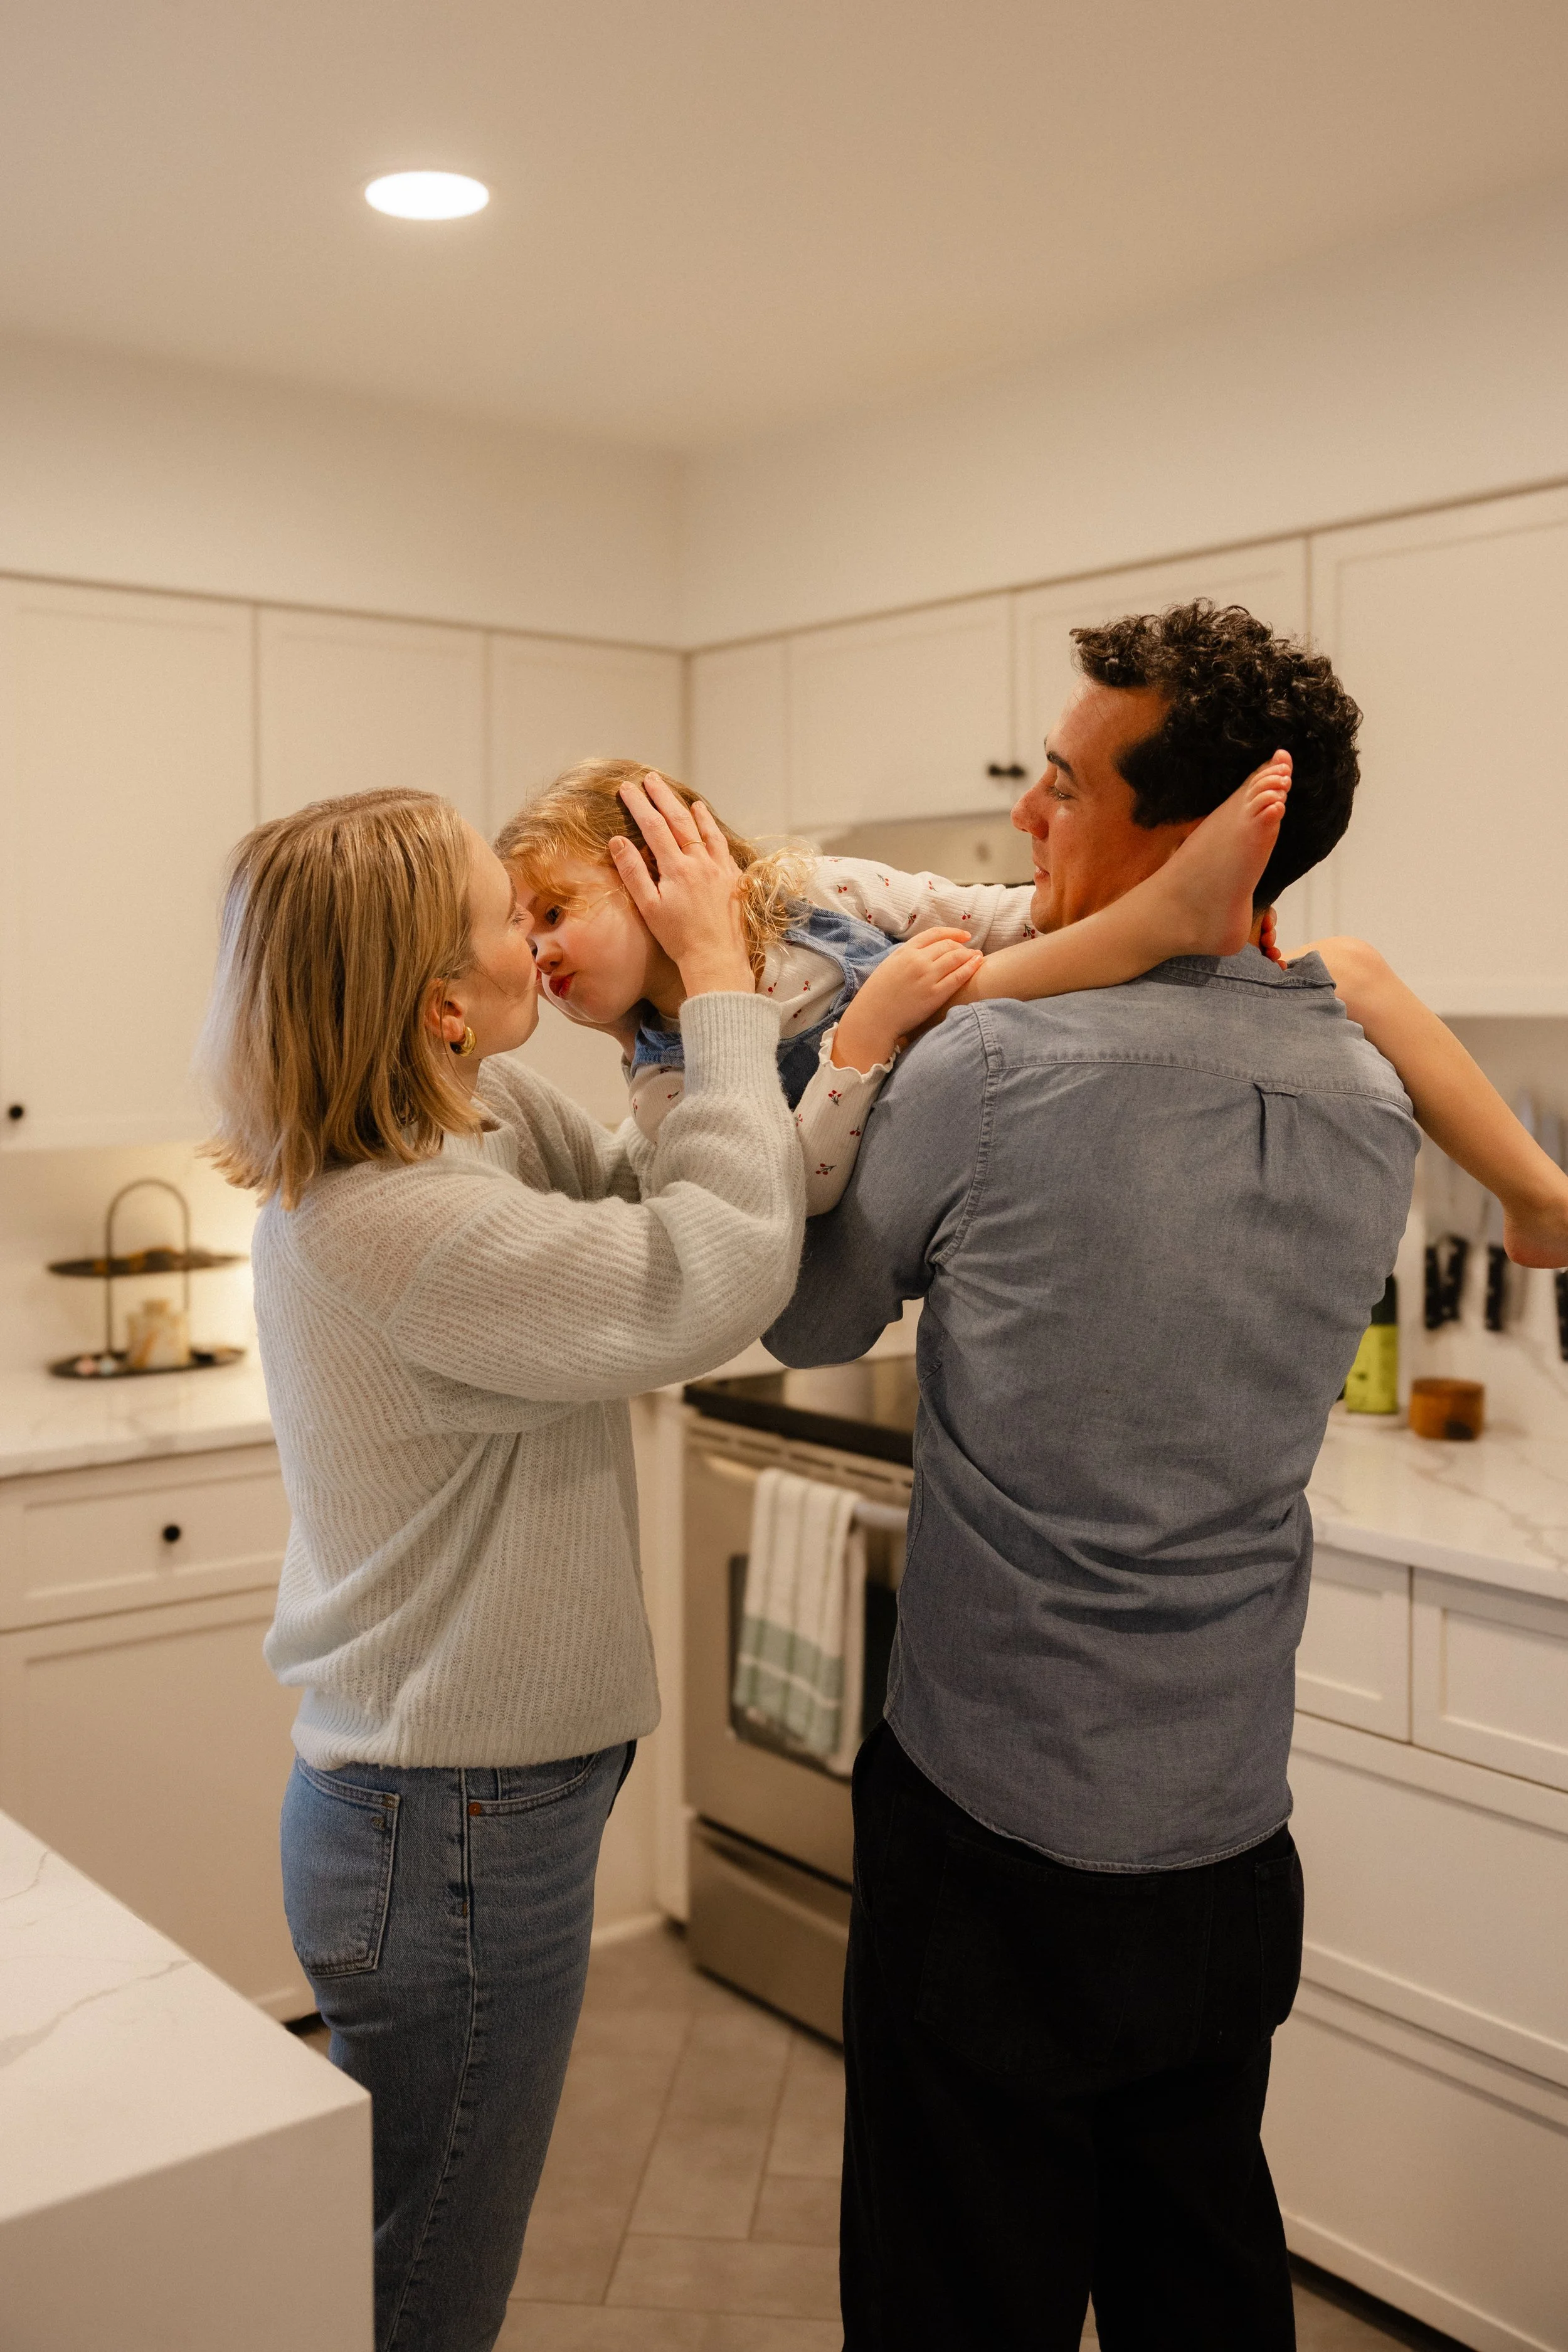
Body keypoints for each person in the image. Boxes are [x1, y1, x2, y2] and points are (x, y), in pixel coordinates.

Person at [762, 600, 1568, 2351]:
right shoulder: (1369, 1089)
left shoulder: (993, 1066)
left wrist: (826, 1058)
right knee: (1199, 2267)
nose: (1026, 821)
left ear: (1184, 833)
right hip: (1219, 1834)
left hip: (992, 1822)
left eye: (1060, 787)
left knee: (954, 2292)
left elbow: (809, 1312)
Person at [198, 775, 803, 2352]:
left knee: (417, 2226)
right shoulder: (395, 1220)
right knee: (426, 2274)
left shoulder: (462, 1117)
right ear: (437, 1003)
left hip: (457, 1803)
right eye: (503, 922)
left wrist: (674, 1016)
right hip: (443, 1823)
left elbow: (650, 1191)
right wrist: (729, 990)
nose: (534, 945)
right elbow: (703, 1274)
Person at [497, 752, 1293, 1211]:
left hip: (1052, 1079)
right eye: (519, 927)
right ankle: (1171, 912)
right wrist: (866, 1034)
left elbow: (990, 917)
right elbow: (791, 1194)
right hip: (945, 1159)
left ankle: (1167, 912)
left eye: (556, 912)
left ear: (664, 872)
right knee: (959, 1001)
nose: (536, 951)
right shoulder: (664, 1080)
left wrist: (1099, 908)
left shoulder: (812, 895)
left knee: (976, 975)